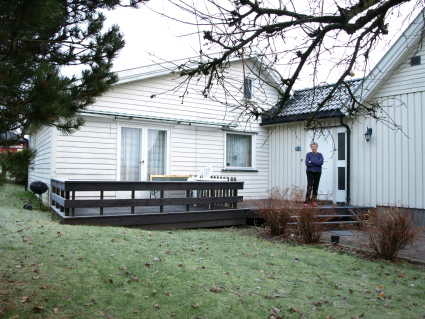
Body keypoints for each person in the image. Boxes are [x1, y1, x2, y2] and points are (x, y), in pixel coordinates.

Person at [304, 142, 324, 207]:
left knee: (315, 186)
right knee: (309, 186)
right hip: (310, 172)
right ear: (311, 147)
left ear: (317, 147)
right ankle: (307, 201)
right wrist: (316, 162)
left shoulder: (320, 155)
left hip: (318, 172)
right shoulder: (308, 154)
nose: (314, 148)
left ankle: (314, 201)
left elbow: (321, 163)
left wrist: (311, 161)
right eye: (312, 146)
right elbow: (307, 163)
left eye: (315, 146)